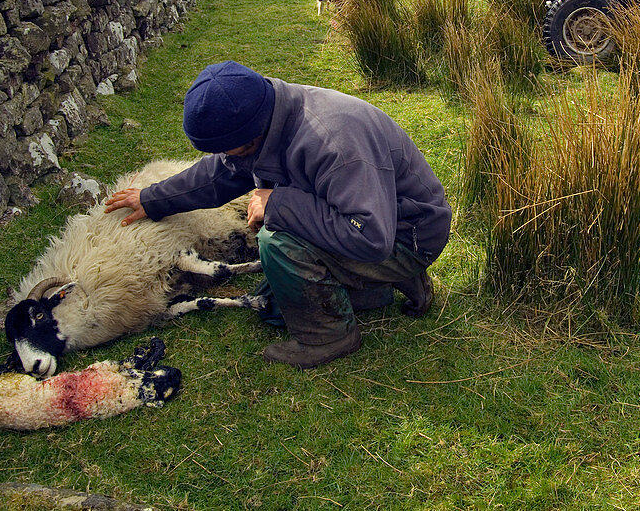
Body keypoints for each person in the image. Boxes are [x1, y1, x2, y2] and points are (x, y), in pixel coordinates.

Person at [104, 60, 452, 369]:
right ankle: (385, 285)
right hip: (380, 217)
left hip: (406, 236)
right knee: (275, 303)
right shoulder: (266, 115)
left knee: (278, 242)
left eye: (229, 147)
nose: (225, 155)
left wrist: (278, 204)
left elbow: (370, 236)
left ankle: (330, 335)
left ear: (251, 136)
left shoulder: (333, 141)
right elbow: (223, 172)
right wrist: (153, 199)